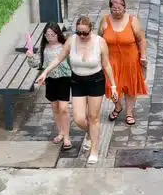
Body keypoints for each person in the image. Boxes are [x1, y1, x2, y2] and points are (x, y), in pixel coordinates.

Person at [37, 15, 116, 165]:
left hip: (96, 81)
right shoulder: (72, 41)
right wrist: (45, 72)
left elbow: (106, 65)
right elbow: (59, 58)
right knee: (79, 118)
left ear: (91, 30)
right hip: (78, 81)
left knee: (93, 117)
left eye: (85, 33)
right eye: (79, 32)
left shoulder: (100, 42)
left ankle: (94, 149)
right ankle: (92, 134)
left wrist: (113, 85)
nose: (82, 36)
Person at [100, 0, 149, 127]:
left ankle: (129, 112)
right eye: (113, 8)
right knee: (111, 86)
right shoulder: (105, 21)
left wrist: (143, 56)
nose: (116, 10)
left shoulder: (132, 21)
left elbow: (141, 40)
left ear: (124, 7)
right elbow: (99, 39)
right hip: (111, 60)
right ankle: (117, 107)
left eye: (119, 8)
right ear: (110, 9)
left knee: (129, 86)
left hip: (130, 60)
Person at [29, 21, 73, 149]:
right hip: (50, 80)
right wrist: (31, 57)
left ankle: (67, 137)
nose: (50, 37)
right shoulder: (44, 48)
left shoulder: (64, 46)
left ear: (58, 34)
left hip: (64, 78)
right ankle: (61, 131)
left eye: (52, 34)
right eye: (47, 35)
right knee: (55, 107)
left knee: (64, 108)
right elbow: (36, 64)